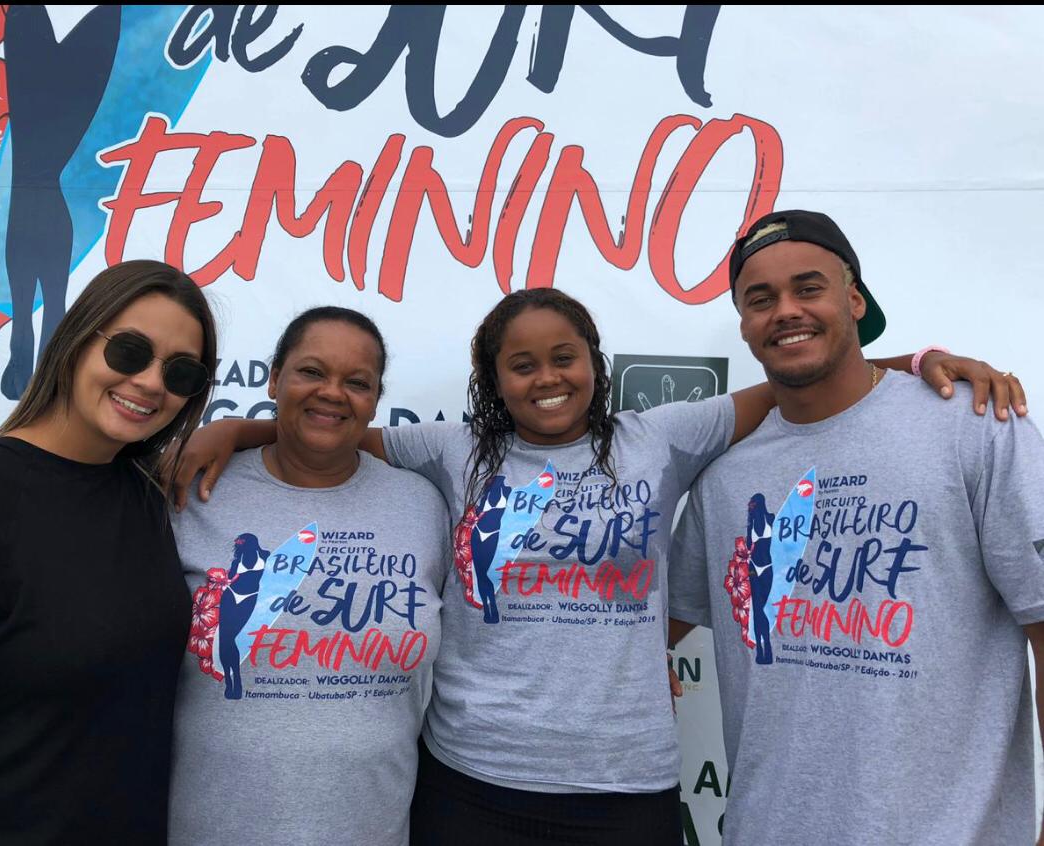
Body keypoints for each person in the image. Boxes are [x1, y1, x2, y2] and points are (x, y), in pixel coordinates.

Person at [171, 285, 1022, 845]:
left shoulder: (664, 438)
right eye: (522, 364)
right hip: (471, 781)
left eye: (564, 357)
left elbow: (806, 379)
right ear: (492, 381)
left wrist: (914, 363)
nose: (547, 377)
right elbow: (330, 426)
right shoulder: (452, 450)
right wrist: (234, 429)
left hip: (626, 787)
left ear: (594, 363)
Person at [667, 209, 1044, 845]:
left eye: (807, 288)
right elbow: (649, 625)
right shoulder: (725, 475)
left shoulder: (975, 426)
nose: (786, 310)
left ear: (854, 299)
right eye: (761, 299)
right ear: (744, 324)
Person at [0, 259, 217, 845]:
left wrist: (237, 431)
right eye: (130, 352)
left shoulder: (150, 499)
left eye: (181, 373)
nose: (153, 383)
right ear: (78, 340)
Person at [167, 307, 449, 846]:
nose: (333, 393)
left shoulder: (423, 506)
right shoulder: (194, 491)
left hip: (372, 829)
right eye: (312, 372)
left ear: (374, 399)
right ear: (274, 379)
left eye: (357, 382)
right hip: (211, 828)